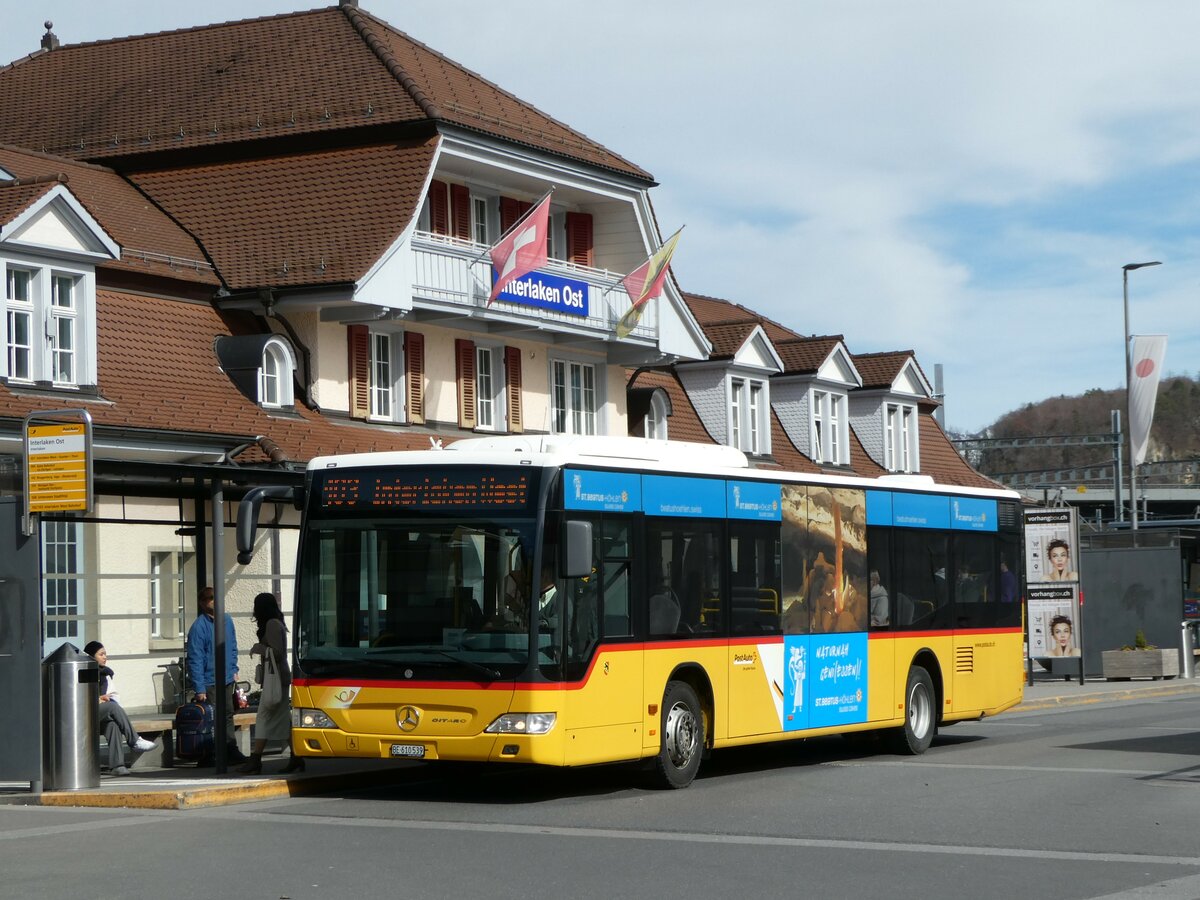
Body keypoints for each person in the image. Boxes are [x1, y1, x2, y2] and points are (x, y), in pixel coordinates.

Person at [240, 593, 303, 775]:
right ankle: (297, 757)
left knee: (263, 717)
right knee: (283, 718)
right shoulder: (275, 623)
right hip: (277, 677)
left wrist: (258, 648)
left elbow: (278, 652)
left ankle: (256, 760)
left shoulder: (272, 624)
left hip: (276, 678)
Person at [185, 586, 245, 764]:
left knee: (227, 714)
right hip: (209, 680)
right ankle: (209, 753)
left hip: (226, 677)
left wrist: (234, 669)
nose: (215, 601)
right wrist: (199, 687)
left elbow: (233, 647)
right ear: (203, 603)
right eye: (211, 598)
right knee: (211, 718)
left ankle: (230, 749)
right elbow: (195, 658)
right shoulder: (199, 627)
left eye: (216, 597)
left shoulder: (227, 620)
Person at [83, 641, 156, 775]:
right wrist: (97, 699)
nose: (105, 657)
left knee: (113, 725)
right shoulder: (83, 672)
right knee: (111, 706)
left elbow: (114, 697)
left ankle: (117, 766)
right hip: (83, 715)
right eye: (101, 654)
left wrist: (104, 699)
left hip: (98, 715)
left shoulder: (106, 675)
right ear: (91, 657)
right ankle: (134, 741)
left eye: (105, 654)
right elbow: (78, 698)